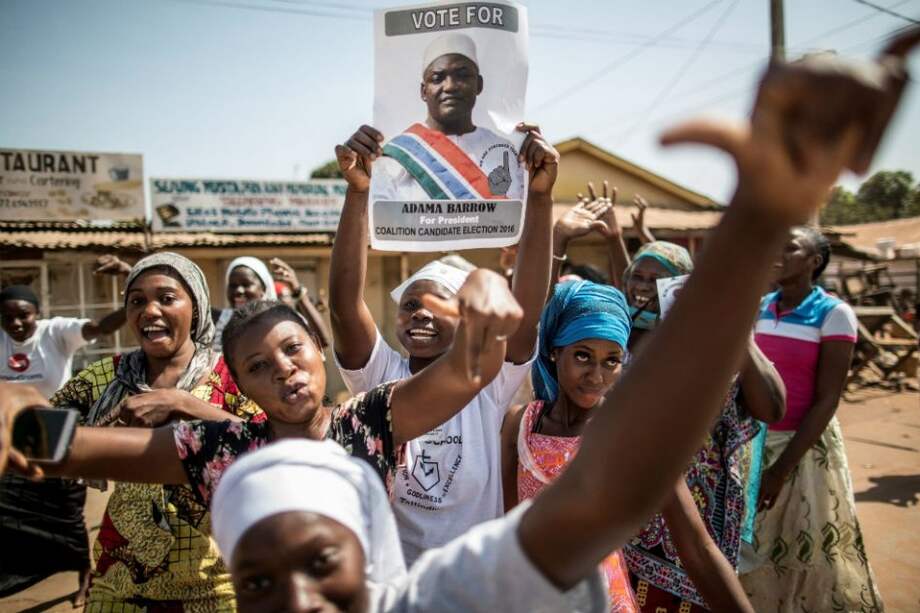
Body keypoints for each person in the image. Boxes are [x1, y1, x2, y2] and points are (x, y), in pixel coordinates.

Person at [5, 29, 916, 612]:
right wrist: (30, 431)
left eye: (321, 562)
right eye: (258, 580)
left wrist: (758, 216)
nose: (298, 598)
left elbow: (613, 471)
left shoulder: (381, 436)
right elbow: (66, 443)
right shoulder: (226, 452)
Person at [331, 122, 556, 563]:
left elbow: (525, 312)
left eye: (439, 303)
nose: (421, 313)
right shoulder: (381, 377)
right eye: (411, 303)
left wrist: (542, 196)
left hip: (470, 584)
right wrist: (358, 192)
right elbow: (343, 306)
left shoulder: (485, 380)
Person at [502, 280, 756, 612]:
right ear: (554, 351)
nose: (596, 375)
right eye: (582, 356)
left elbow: (696, 546)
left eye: (612, 360)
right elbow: (507, 526)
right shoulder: (521, 425)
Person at [49, 253, 263, 610]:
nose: (149, 311)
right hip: (120, 575)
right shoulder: (108, 376)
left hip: (215, 582)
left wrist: (183, 403)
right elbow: (40, 433)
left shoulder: (234, 375)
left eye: (166, 298)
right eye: (137, 301)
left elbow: (269, 444)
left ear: (195, 307)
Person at [739, 227, 884, 611]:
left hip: (802, 451)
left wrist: (781, 470)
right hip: (754, 444)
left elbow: (827, 400)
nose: (776, 252)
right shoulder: (759, 308)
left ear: (814, 262)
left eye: (789, 247)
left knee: (804, 546)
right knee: (753, 550)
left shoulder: (833, 314)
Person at [0, 283, 126, 604]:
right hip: (12, 435)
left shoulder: (55, 332)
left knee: (68, 510)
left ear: (37, 314)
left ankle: (85, 573)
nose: (16, 324)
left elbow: (100, 327)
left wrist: (135, 304)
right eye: (7, 318)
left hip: (55, 431)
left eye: (23, 316)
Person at [373, 33, 526, 202]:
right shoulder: (395, 156)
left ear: (479, 85)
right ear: (424, 91)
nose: (450, 86)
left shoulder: (506, 152)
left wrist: (542, 193)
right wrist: (357, 189)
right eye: (437, 78)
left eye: (462, 75)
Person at [269, 257, 332, 349]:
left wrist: (297, 290)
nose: (283, 301)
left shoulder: (300, 320)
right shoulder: (267, 327)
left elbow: (324, 341)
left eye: (286, 296)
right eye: (278, 297)